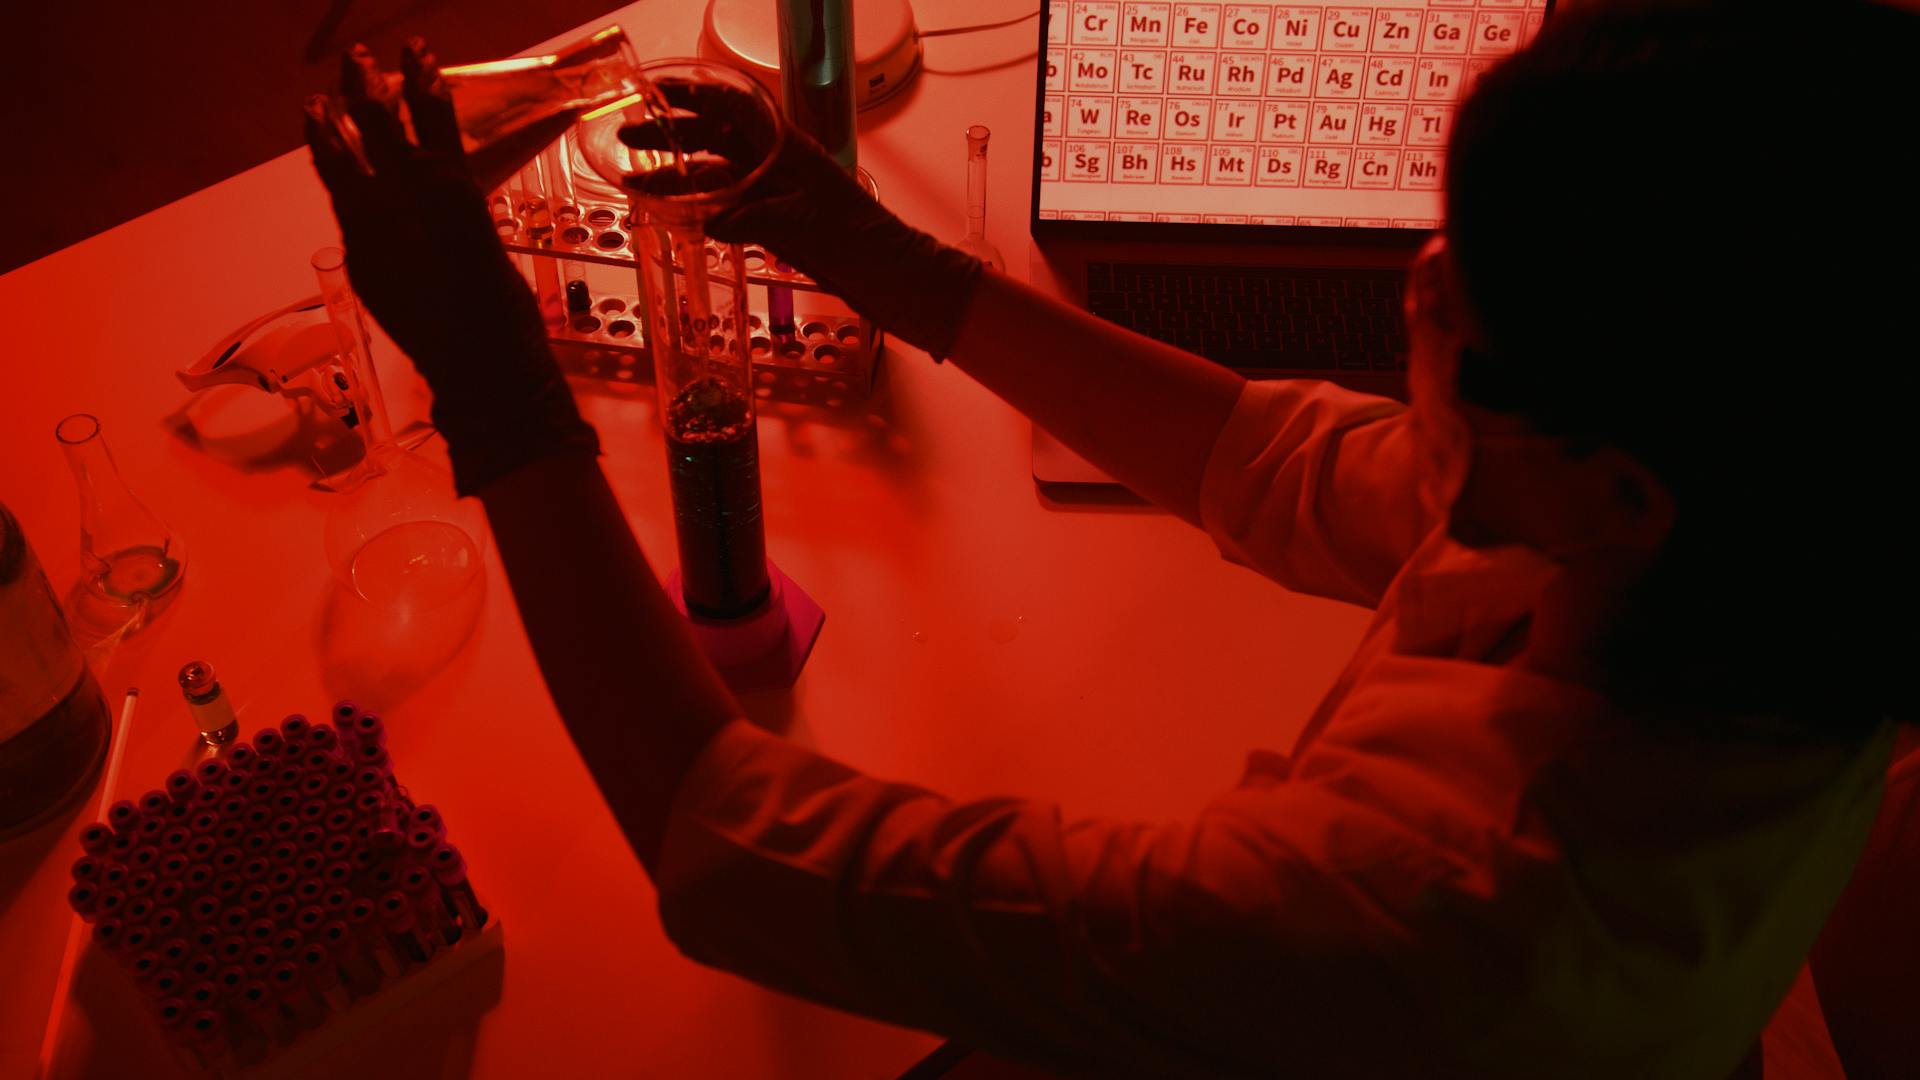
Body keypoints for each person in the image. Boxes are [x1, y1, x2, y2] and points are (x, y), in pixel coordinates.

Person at [303, 2, 1916, 1075]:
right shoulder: (1772, 550)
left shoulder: (1429, 909)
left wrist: (498, 386)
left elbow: (738, 856)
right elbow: (1278, 460)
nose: (1415, 283)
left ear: (1618, 491)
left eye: (1462, 303)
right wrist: (868, 247)